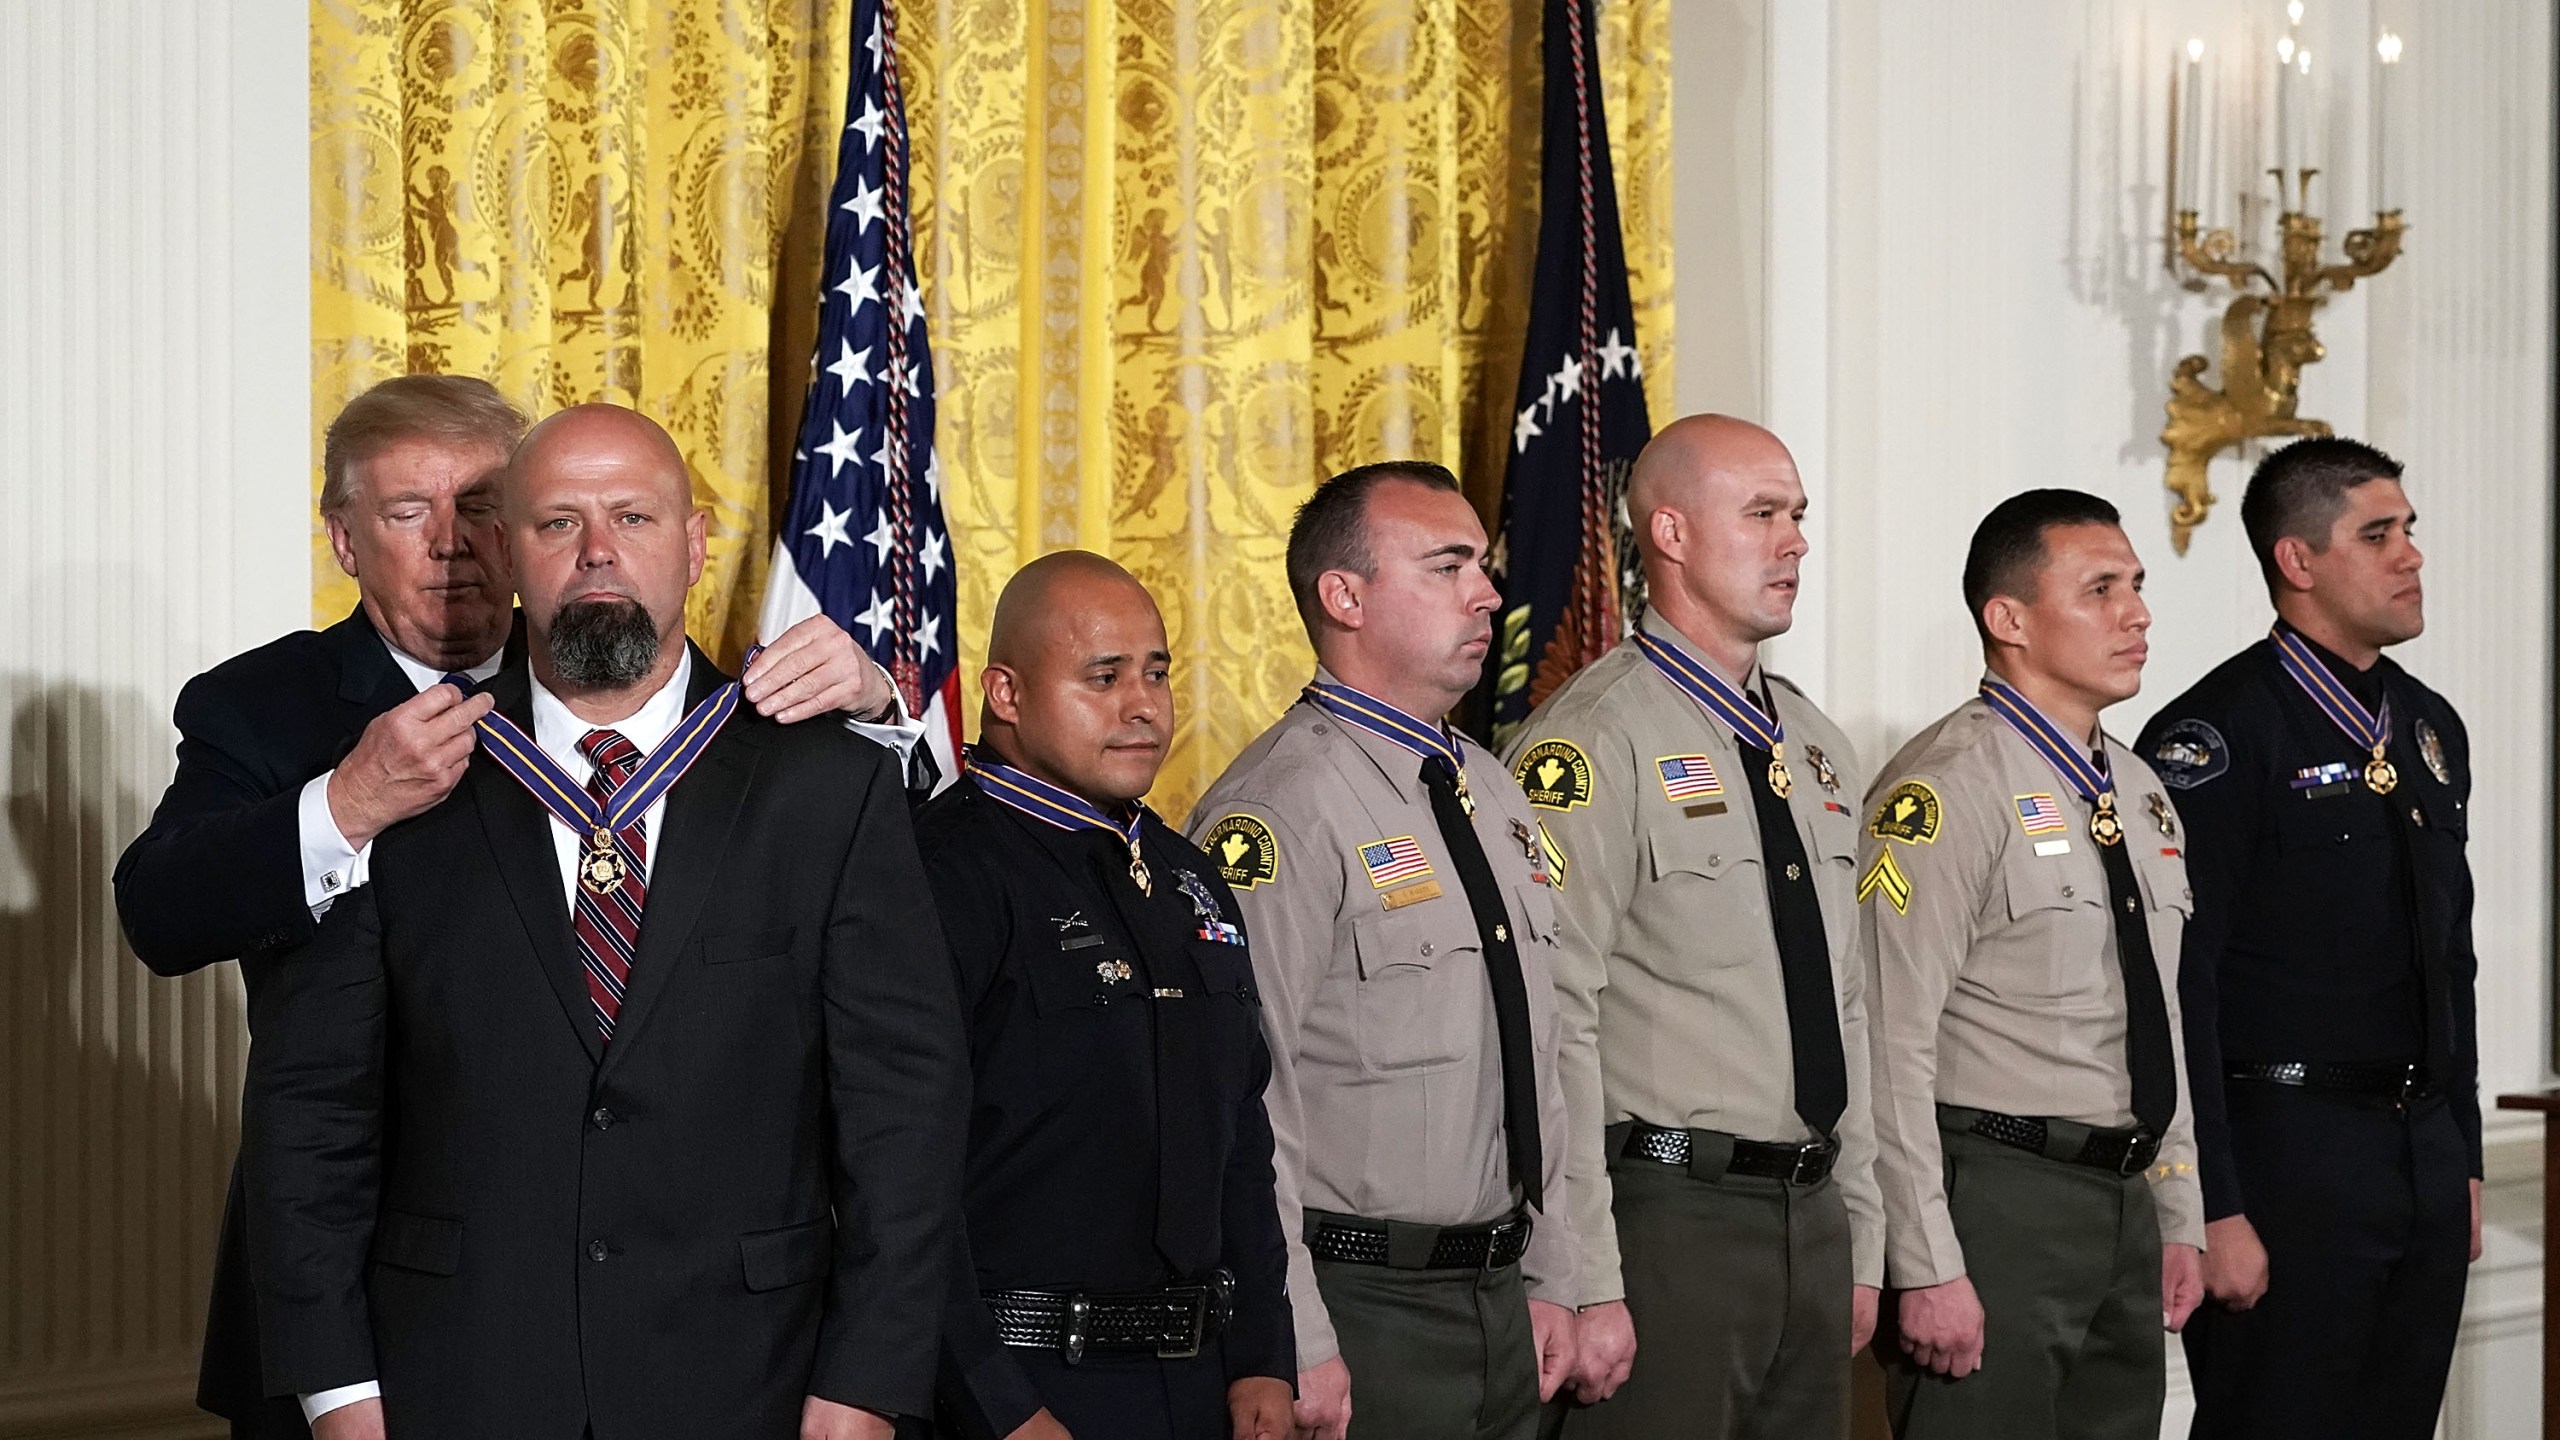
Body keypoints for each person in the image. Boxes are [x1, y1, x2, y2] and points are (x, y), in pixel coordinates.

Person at [111, 374, 915, 1437]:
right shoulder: (276, 712)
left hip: (701, 1334)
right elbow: (164, 915)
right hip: (375, 1317)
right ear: (344, 539)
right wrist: (345, 805)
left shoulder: (623, 673)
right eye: (408, 513)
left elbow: (795, 825)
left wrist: (878, 711)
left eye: (484, 511)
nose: (457, 546)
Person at [1504, 416, 1880, 1439]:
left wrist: (1866, 1231)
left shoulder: (1812, 742)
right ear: (1668, 533)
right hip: (1668, 1213)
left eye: (1797, 515)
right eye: (1761, 515)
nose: (1795, 541)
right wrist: (1580, 1270)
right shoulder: (1590, 739)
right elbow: (1553, 1021)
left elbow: (1846, 1001)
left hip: (1811, 1212)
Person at [1188, 461, 1577, 1440]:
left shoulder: (1489, 791)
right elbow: (1240, 1105)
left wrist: (1555, 1268)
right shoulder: (1277, 810)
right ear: (1344, 596)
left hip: (1497, 1296)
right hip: (1360, 1301)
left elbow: (1545, 1054)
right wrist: (1293, 1336)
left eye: (1481, 566)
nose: (1487, 594)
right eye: (1447, 566)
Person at [2137, 438, 2479, 1440]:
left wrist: (2456, 1151)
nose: (2410, 555)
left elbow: (2449, 957)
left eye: (2407, 530)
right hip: (2286, 1155)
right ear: (2297, 561)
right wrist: (2212, 1205)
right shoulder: (2216, 736)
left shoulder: (2425, 725)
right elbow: (2183, 989)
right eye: (2377, 535)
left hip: (2416, 1151)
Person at [912, 551, 1295, 1440]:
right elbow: (896, 1180)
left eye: (1157, 673)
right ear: (1005, 694)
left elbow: (1239, 1136)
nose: (1144, 705)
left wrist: (1263, 1357)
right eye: (1104, 677)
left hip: (1200, 1384)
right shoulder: (939, 873)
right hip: (1024, 1387)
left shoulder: (1186, 876)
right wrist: (996, 1404)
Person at [1859, 489, 2205, 1439]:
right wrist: (1926, 1262)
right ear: (2007, 620)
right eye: (2100, 589)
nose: (2136, 614)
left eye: (2136, 586)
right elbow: (1889, 1045)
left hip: (2124, 1200)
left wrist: (2176, 1210)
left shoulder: (2138, 790)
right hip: (2000, 1199)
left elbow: (2160, 1016)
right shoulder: (1946, 788)